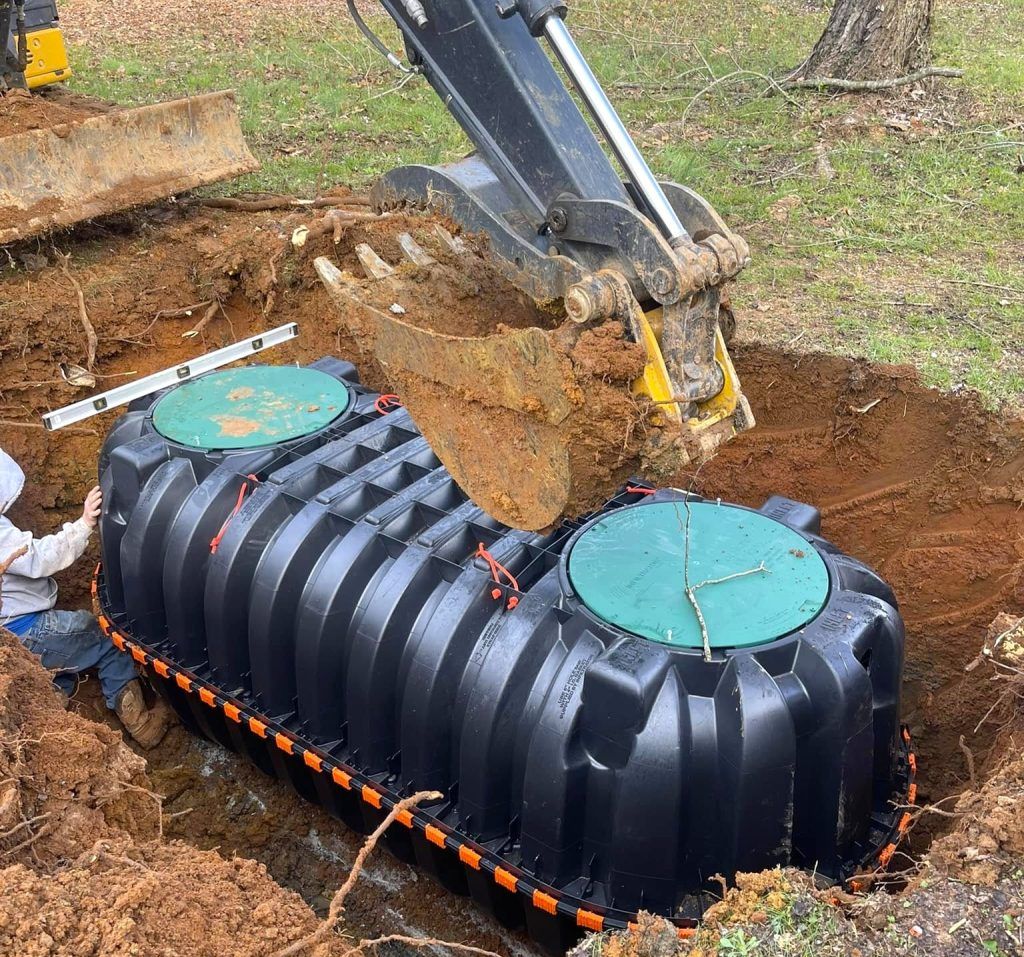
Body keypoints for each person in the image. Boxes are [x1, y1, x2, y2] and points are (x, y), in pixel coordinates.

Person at [0, 447, 170, 748]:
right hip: (27, 629)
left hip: (9, 640)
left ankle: (53, 714)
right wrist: (83, 525)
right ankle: (143, 726)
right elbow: (39, 558)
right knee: (107, 639)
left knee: (59, 674)